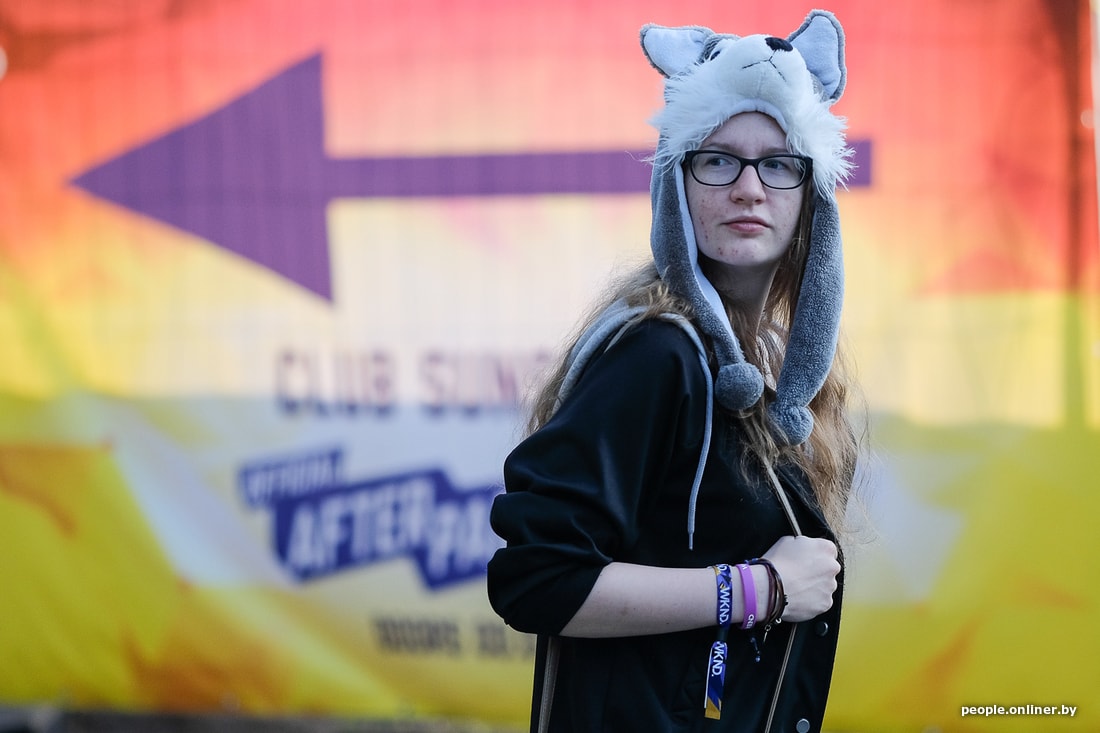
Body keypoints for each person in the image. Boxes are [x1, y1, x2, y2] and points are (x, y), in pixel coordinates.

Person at [487, 10, 863, 733]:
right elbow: (538, 578)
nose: (749, 187)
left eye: (779, 163)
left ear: (810, 192)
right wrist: (759, 590)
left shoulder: (776, 369)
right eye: (717, 159)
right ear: (676, 184)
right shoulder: (657, 353)